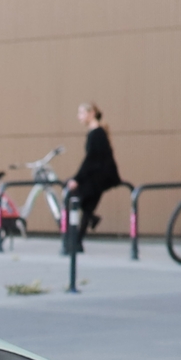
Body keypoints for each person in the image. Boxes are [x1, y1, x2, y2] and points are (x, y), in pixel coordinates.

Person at [66, 101, 122, 252]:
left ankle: (76, 240)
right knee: (87, 207)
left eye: (81, 113)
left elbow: (91, 159)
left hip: (100, 177)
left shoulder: (97, 133)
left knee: (75, 197)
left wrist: (76, 179)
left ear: (91, 114)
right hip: (99, 176)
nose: (79, 117)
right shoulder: (96, 132)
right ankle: (77, 242)